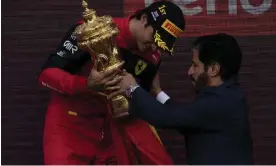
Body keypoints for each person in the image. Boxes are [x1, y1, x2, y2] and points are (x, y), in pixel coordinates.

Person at [38, 0, 185, 164]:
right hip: (70, 127)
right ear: (144, 18)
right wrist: (86, 84)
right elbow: (47, 75)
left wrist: (131, 108)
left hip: (111, 134)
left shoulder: (152, 59)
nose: (155, 48)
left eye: (162, 45)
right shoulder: (92, 32)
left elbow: (140, 99)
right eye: (155, 38)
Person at [111, 33, 254, 164]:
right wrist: (158, 92)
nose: (189, 71)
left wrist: (132, 88)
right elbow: (183, 118)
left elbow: (166, 117)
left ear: (214, 69)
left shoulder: (220, 103)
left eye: (195, 65)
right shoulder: (229, 96)